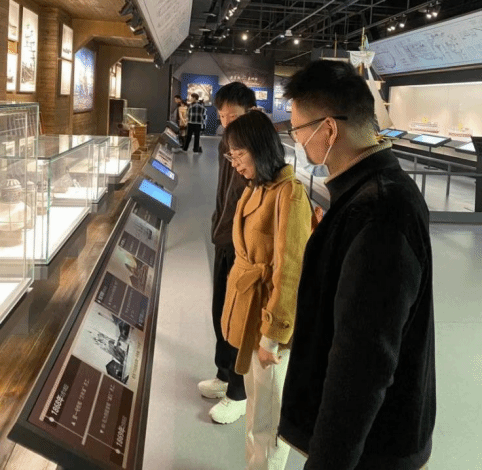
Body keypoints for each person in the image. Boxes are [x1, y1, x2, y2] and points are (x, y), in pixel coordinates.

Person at [278, 60, 436, 470]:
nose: (297, 141)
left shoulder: (380, 210)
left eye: (298, 130)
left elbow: (363, 364)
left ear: (328, 130)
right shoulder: (367, 194)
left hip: (374, 449)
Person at [221, 110, 313, 469]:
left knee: (269, 418)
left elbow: (290, 271)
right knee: (256, 409)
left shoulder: (290, 194)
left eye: (239, 154)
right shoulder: (257, 186)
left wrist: (272, 337)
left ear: (260, 149)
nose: (234, 163)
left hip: (268, 320)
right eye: (231, 155)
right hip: (250, 311)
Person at [198, 82, 256, 425]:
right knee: (220, 313)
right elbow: (225, 197)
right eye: (221, 115)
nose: (226, 121)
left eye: (232, 116)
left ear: (250, 112)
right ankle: (223, 374)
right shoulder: (227, 143)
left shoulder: (255, 147)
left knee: (237, 320)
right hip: (223, 240)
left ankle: (239, 392)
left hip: (242, 249)